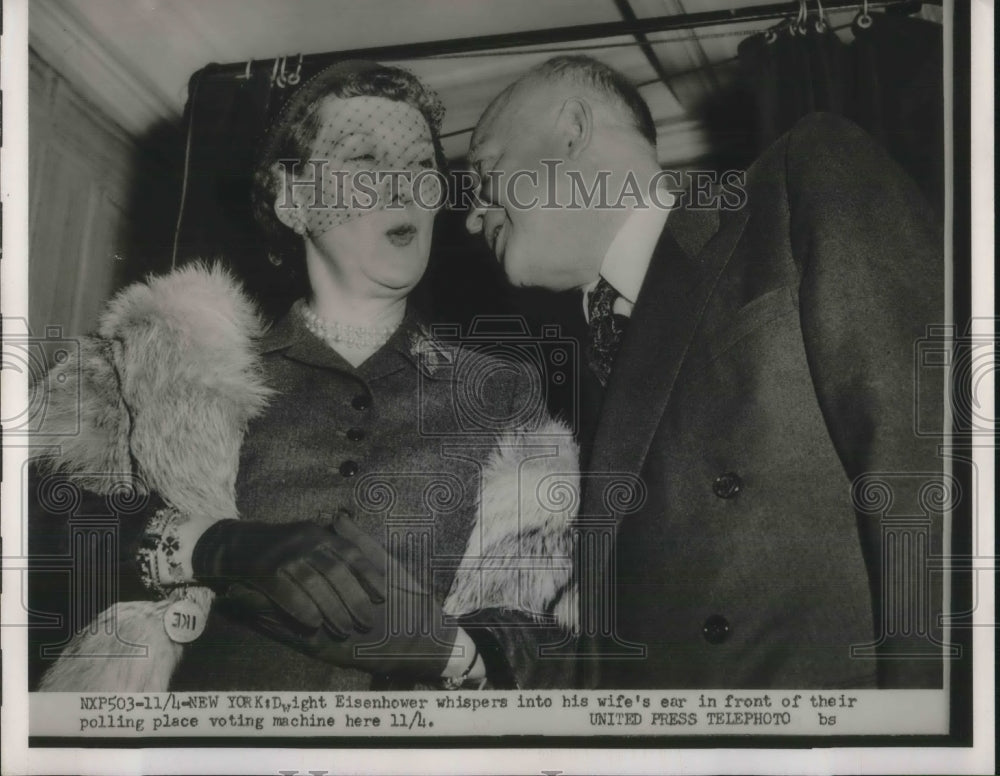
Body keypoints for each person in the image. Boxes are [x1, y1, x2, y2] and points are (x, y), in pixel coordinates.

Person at [29, 61, 577, 692]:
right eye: (366, 160)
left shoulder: (503, 396)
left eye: (422, 167)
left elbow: (550, 623)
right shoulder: (166, 361)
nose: (403, 188)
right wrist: (218, 547)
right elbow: (35, 527)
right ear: (293, 200)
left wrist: (454, 651)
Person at [464, 55, 945, 689]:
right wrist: (458, 650)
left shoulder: (797, 183)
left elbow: (936, 462)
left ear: (573, 131)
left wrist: (928, 733)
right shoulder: (568, 382)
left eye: (486, 174)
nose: (472, 217)